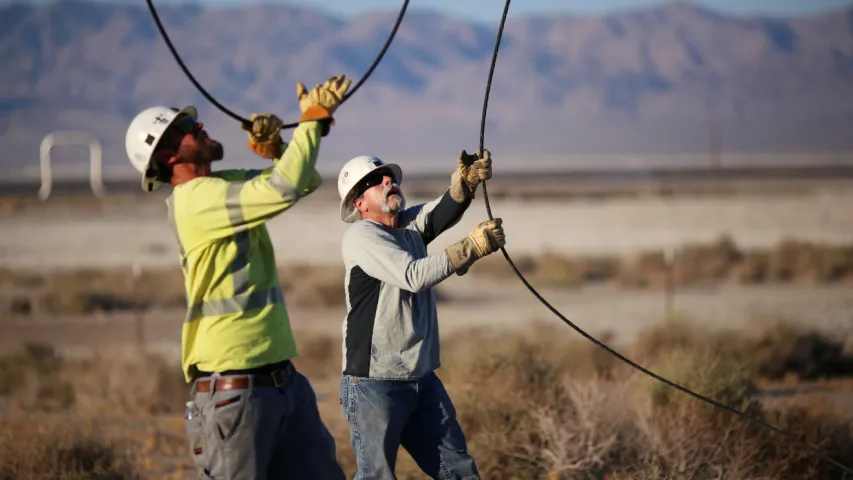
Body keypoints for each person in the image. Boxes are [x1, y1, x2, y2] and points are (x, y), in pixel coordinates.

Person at [123, 74, 352, 480]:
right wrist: (313, 119)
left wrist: (280, 148)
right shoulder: (195, 201)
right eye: (184, 128)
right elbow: (285, 188)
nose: (199, 126)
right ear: (169, 156)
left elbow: (303, 181)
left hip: (281, 383)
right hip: (236, 391)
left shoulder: (220, 186)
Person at [335, 149, 506, 479]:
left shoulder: (409, 227)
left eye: (390, 177)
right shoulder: (361, 236)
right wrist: (470, 247)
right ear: (359, 204)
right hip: (374, 381)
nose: (388, 180)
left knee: (457, 470)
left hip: (421, 378)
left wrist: (466, 184)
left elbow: (441, 212)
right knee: (377, 475)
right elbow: (413, 275)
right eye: (374, 180)